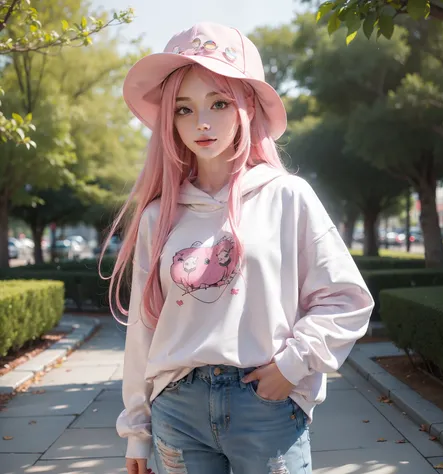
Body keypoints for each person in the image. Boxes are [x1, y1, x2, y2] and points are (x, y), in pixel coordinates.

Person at [104, 22, 374, 474]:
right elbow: (144, 330)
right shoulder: (158, 216)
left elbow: (346, 299)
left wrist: (292, 367)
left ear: (247, 107)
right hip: (178, 410)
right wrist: (137, 429)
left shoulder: (287, 197)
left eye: (219, 103)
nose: (202, 123)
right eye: (184, 109)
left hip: (266, 409)